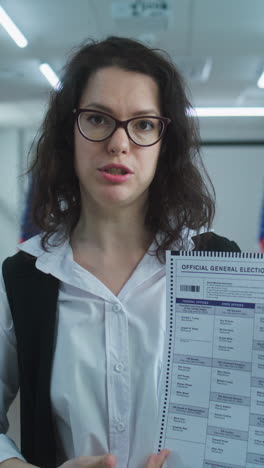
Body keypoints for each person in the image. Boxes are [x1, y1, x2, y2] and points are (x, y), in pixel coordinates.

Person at [0, 36, 240, 468]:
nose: (119, 143)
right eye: (97, 119)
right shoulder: (23, 278)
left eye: (144, 124)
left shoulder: (218, 264)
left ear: (165, 143)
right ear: (67, 133)